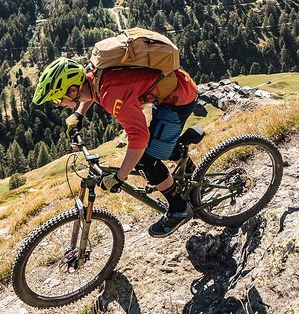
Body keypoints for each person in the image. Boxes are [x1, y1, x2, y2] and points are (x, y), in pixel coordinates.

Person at [33, 56, 198, 237]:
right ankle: (187, 165)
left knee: (145, 159)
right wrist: (79, 114)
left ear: (72, 90)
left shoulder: (111, 94)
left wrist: (120, 177)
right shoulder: (91, 74)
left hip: (178, 99)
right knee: (157, 145)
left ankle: (179, 209)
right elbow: (90, 93)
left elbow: (139, 137)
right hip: (171, 88)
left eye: (57, 99)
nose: (58, 104)